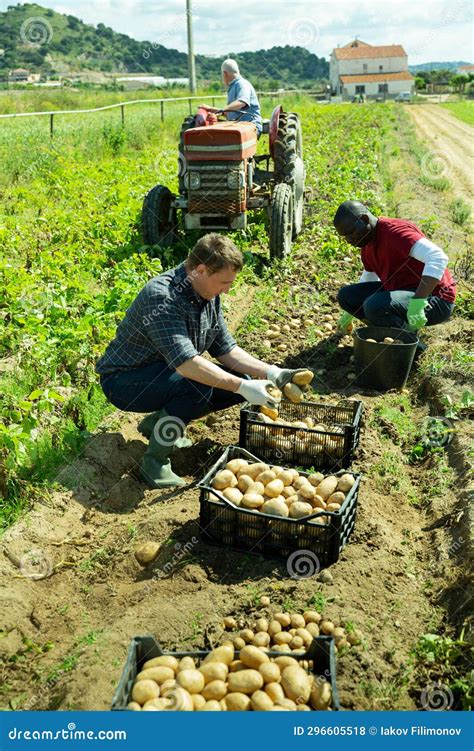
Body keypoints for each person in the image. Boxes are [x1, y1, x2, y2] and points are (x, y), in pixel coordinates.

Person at [95, 234, 304, 489]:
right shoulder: (162, 298)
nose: (227, 290)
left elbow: (225, 349)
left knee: (241, 384)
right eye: (224, 282)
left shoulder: (207, 294)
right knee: (198, 385)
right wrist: (241, 386)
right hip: (124, 381)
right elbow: (187, 364)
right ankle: (154, 462)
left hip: (162, 373)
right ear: (201, 270)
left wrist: (271, 373)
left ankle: (158, 425)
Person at [333, 201, 456, 349]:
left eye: (350, 233)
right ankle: (388, 334)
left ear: (365, 220)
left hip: (436, 297)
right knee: (347, 296)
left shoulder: (396, 233)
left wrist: (418, 302)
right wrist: (351, 311)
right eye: (345, 237)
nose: (349, 240)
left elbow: (438, 257)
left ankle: (415, 349)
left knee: (374, 306)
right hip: (402, 291)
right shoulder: (366, 243)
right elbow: (369, 277)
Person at [199, 58, 262, 135]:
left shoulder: (242, 84)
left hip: (251, 125)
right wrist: (210, 109)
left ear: (225, 73)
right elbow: (231, 112)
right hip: (237, 125)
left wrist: (222, 110)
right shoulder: (233, 86)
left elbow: (241, 102)